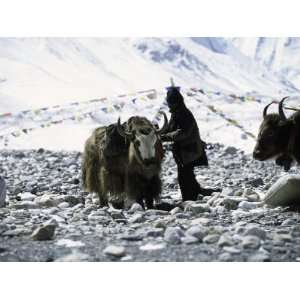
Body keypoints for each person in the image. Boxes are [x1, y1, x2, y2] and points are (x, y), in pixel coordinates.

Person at [161, 85, 219, 201]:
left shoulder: (183, 114)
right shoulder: (177, 113)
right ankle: (197, 193)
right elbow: (170, 128)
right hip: (185, 151)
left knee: (184, 176)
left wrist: (164, 137)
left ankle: (189, 199)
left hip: (188, 151)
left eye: (171, 101)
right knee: (187, 174)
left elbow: (183, 133)